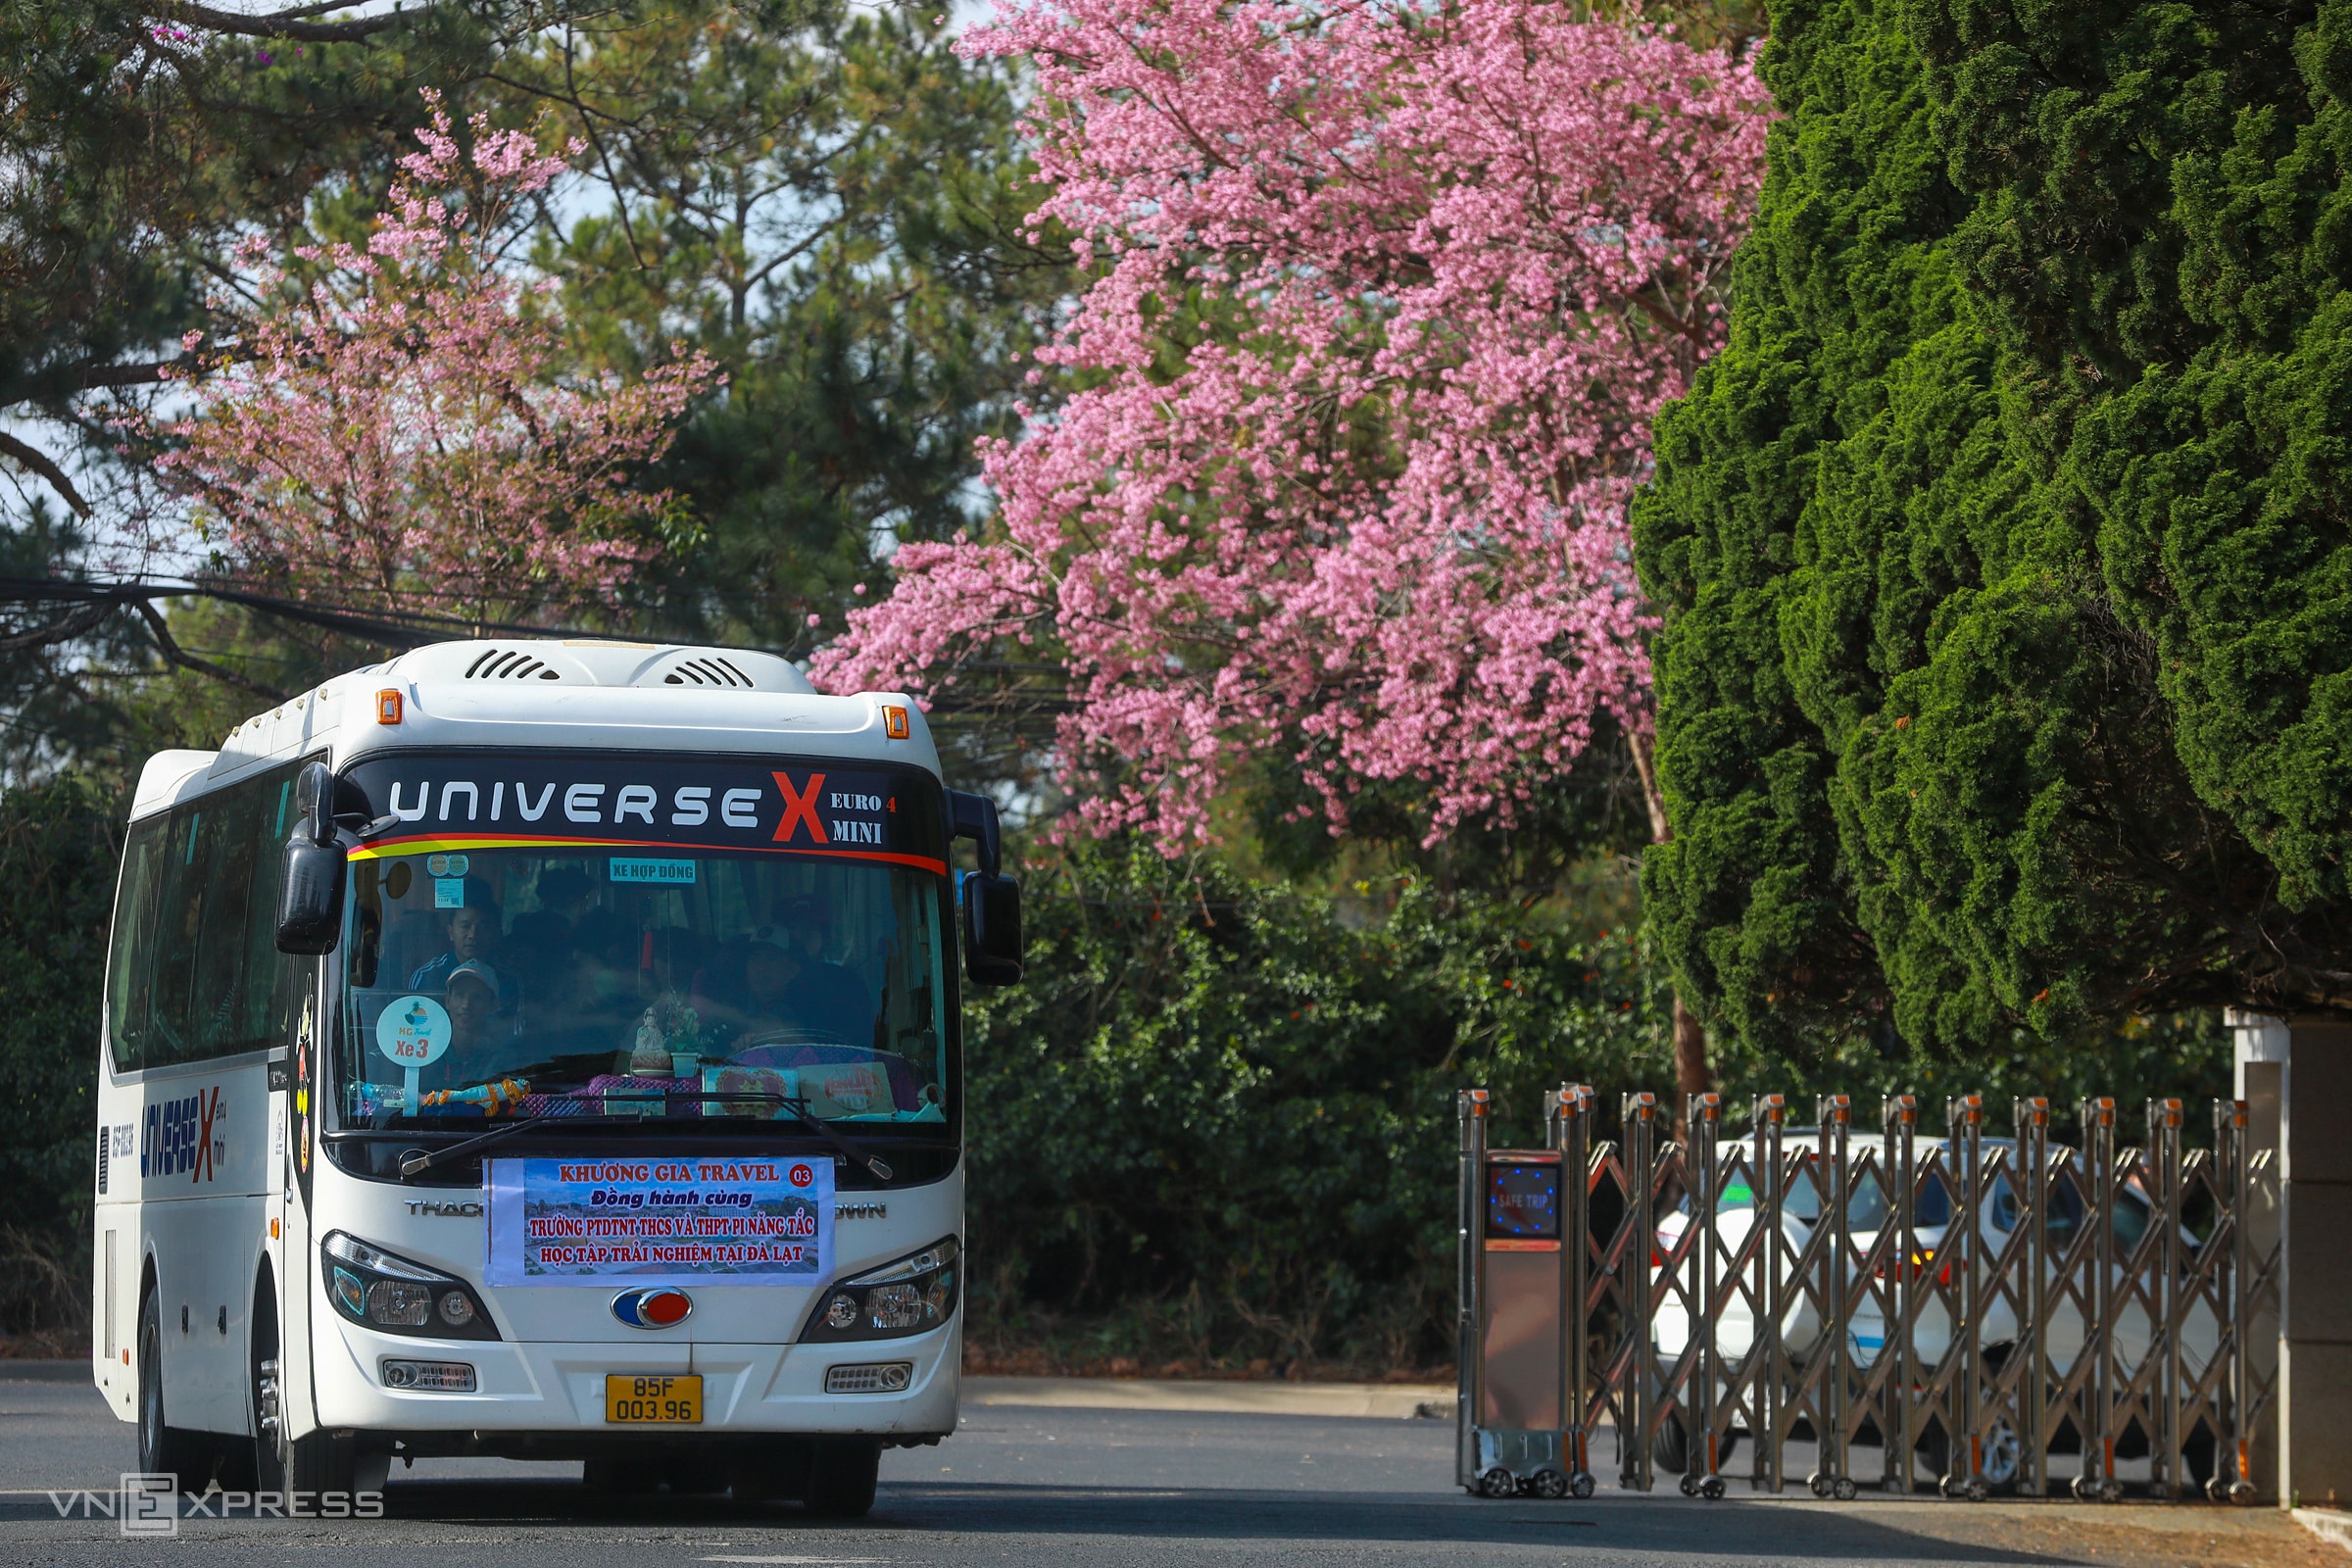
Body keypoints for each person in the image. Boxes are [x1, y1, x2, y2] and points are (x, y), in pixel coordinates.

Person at [410, 881, 501, 990]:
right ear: (451, 932)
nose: (472, 935)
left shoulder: (508, 979)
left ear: (494, 933)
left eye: (483, 927)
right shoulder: (427, 977)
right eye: (465, 926)